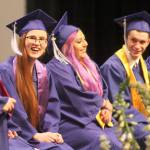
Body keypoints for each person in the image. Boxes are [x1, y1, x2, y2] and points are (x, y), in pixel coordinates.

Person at [46, 12, 122, 150]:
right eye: (79, 41)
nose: (86, 44)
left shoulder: (88, 64)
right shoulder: (56, 67)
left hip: (94, 118)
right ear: (66, 46)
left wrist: (105, 109)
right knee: (110, 144)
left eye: (85, 40)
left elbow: (102, 89)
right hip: (72, 123)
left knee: (126, 137)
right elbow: (76, 97)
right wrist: (103, 103)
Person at [0, 9, 73, 150]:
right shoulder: (5, 71)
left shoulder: (45, 72)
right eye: (32, 38)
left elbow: (52, 109)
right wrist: (33, 135)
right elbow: (14, 113)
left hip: (39, 135)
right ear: (22, 39)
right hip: (14, 134)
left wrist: (51, 133)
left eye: (42, 39)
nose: (37, 43)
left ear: (47, 44)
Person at [100, 11, 150, 148]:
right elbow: (121, 108)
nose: (137, 46)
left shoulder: (141, 64)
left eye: (142, 42)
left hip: (141, 119)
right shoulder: (113, 67)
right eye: (133, 40)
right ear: (125, 38)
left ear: (148, 42)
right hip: (124, 123)